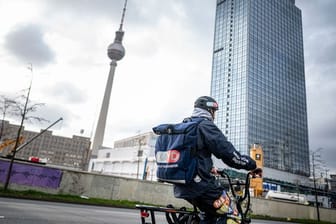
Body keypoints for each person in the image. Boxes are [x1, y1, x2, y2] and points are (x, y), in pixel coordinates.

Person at [173, 96, 261, 224]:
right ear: (209, 110)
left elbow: (191, 155)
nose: (214, 115)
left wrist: (208, 168)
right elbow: (230, 156)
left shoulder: (185, 125)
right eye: (214, 111)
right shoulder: (205, 126)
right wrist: (252, 165)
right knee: (232, 214)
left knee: (210, 215)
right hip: (201, 186)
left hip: (182, 185)